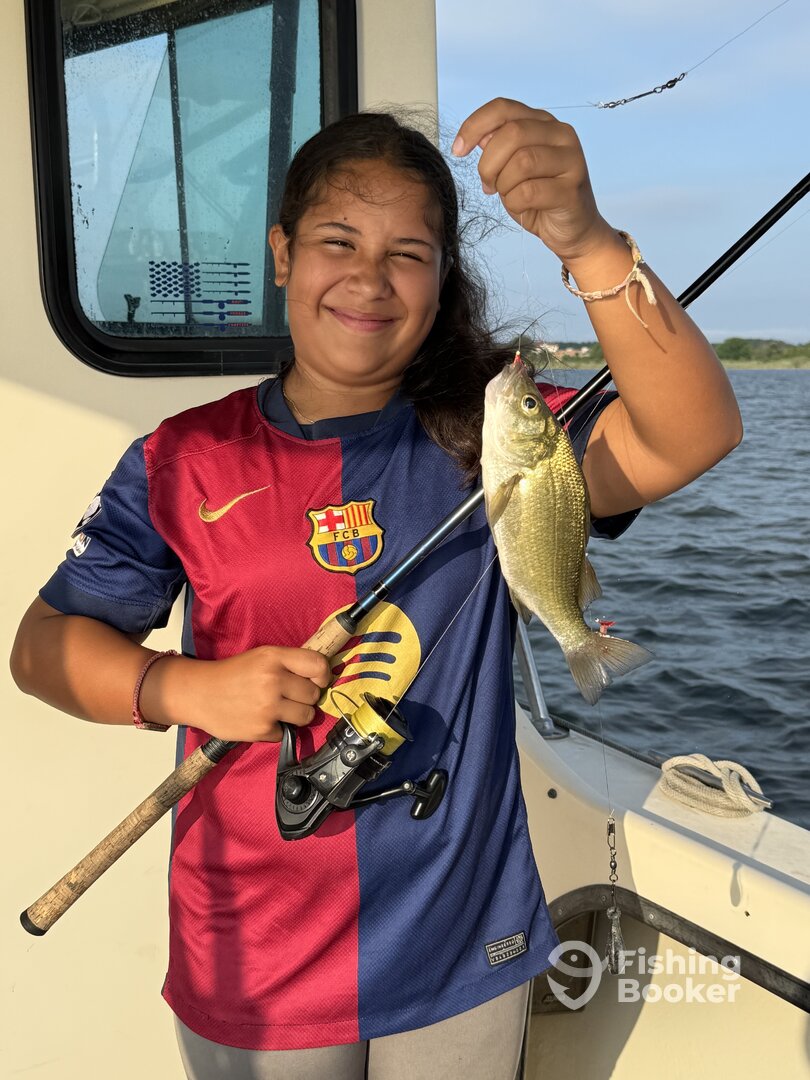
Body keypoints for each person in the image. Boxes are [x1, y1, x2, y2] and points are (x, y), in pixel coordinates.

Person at [10, 98, 742, 1080]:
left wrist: (588, 241)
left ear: (442, 281)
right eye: (337, 241)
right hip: (255, 945)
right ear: (282, 254)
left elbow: (692, 434)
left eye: (408, 253)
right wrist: (185, 687)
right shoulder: (182, 458)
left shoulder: (491, 435)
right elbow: (43, 647)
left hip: (462, 928)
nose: (368, 277)